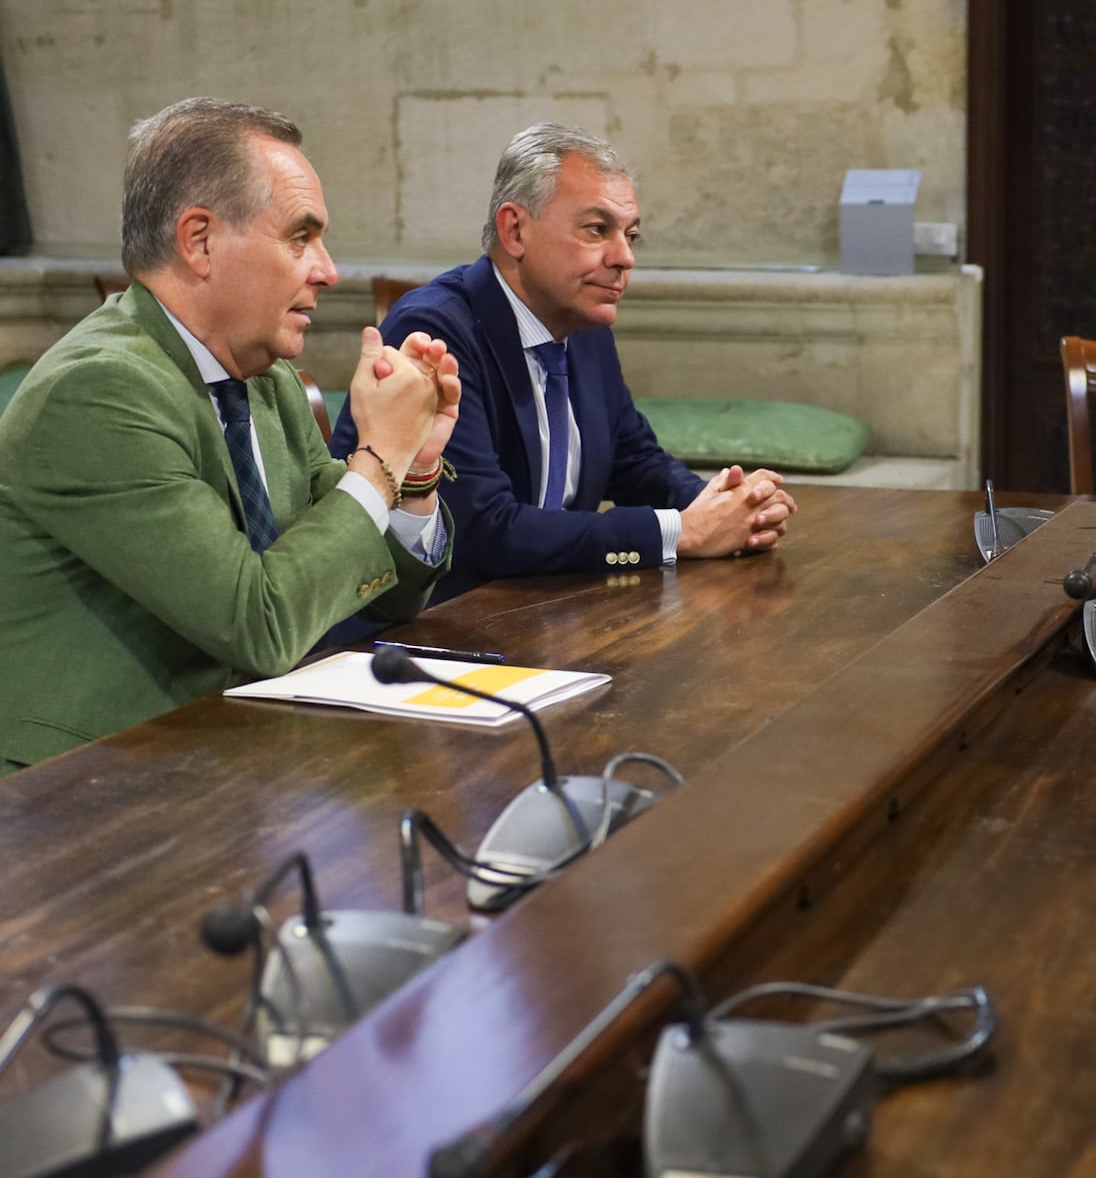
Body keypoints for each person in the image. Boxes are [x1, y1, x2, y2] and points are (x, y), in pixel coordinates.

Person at [0, 98, 458, 771]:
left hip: (236, 755)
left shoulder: (264, 379)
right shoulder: (99, 390)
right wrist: (379, 456)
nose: (327, 270)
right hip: (87, 791)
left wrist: (413, 474)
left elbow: (378, 582)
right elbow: (261, 623)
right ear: (201, 241)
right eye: (300, 237)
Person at [332, 123, 794, 603]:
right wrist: (679, 532)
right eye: (598, 230)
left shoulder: (583, 325)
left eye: (632, 235)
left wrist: (727, 507)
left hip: (545, 611)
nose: (625, 257)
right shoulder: (435, 331)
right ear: (515, 229)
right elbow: (484, 531)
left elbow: (632, 459)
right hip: (431, 630)